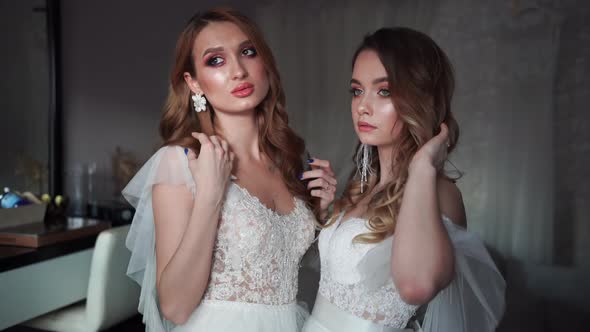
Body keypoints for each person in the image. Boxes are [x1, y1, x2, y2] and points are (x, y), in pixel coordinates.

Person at [122, 7, 337, 332]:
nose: (238, 70)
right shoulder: (182, 160)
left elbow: (273, 264)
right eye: (216, 60)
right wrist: (210, 195)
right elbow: (175, 307)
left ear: (265, 62)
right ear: (193, 83)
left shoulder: (290, 158)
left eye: (248, 52)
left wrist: (321, 212)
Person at [303, 27, 505, 332]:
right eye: (357, 90)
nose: (363, 106)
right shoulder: (363, 185)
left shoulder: (440, 192)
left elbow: (416, 286)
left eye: (384, 91)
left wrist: (423, 166)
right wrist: (323, 211)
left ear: (418, 99)